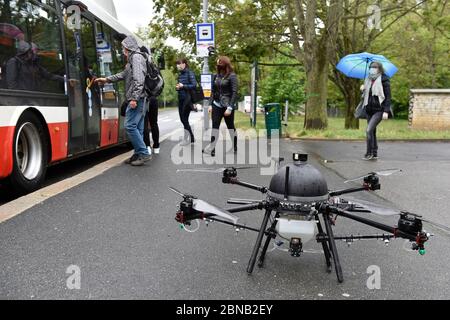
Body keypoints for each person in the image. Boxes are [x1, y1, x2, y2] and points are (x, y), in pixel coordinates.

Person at [95, 36, 151, 166]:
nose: (122, 50)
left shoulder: (136, 58)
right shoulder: (133, 59)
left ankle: (144, 153)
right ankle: (137, 154)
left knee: (129, 126)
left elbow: (139, 80)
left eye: (123, 47)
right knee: (138, 128)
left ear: (128, 47)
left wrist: (134, 98)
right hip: (141, 98)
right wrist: (106, 79)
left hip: (138, 98)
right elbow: (123, 75)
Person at [203, 56, 238, 157]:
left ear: (225, 64)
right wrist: (210, 104)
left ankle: (235, 146)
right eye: (217, 64)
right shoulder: (216, 76)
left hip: (227, 106)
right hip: (216, 104)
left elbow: (234, 92)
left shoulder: (232, 76)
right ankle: (212, 149)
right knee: (215, 127)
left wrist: (230, 107)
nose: (218, 66)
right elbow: (212, 91)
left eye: (220, 64)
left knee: (230, 127)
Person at [361, 61, 393, 161]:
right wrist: (363, 89)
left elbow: (388, 97)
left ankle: (369, 153)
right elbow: (367, 95)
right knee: (373, 132)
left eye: (374, 67)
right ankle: (374, 153)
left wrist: (386, 111)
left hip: (379, 110)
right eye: (371, 67)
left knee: (368, 130)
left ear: (379, 69)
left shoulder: (384, 80)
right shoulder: (368, 79)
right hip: (369, 109)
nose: (372, 69)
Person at [176, 58, 196, 146]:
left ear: (184, 64)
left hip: (187, 100)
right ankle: (191, 138)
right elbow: (180, 87)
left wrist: (183, 86)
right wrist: (177, 88)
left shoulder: (189, 73)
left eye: (179, 64)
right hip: (181, 99)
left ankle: (187, 139)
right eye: (177, 64)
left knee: (184, 119)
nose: (178, 65)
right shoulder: (180, 74)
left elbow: (194, 85)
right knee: (183, 119)